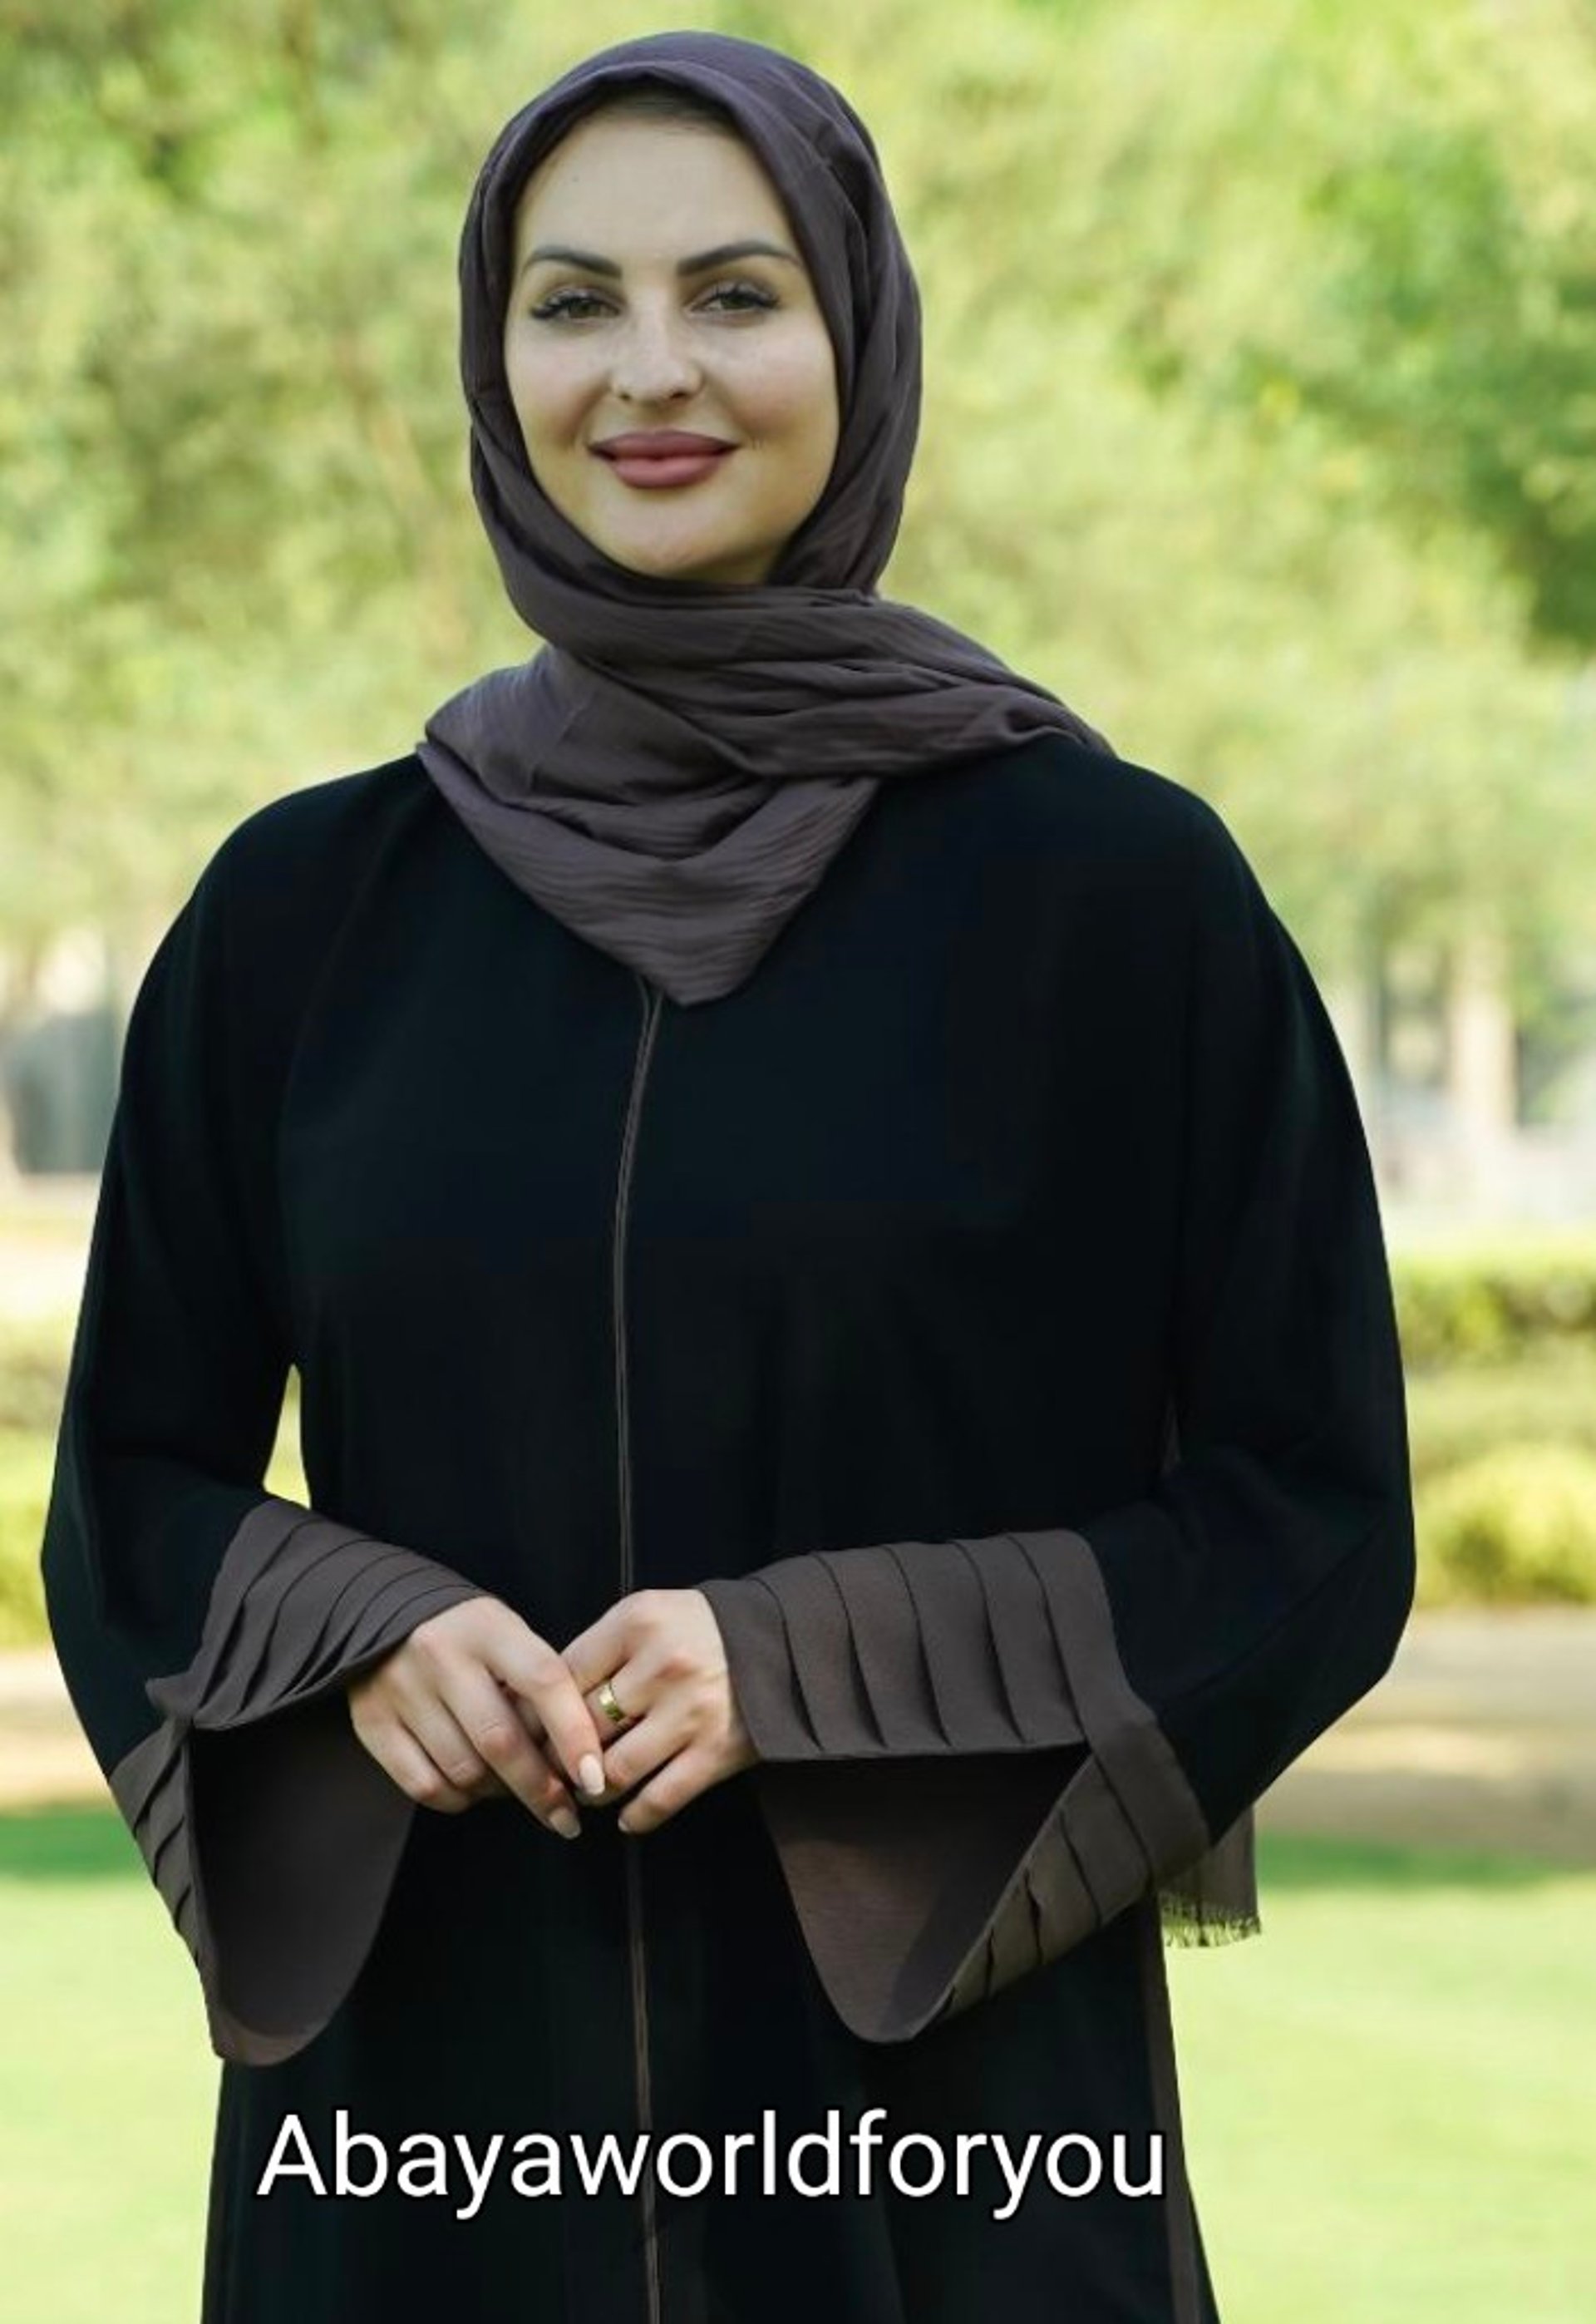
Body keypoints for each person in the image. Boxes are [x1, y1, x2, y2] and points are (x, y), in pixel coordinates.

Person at [40, 27, 1416, 2324]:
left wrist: (813, 1665)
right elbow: (135, 1499)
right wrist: (356, 1639)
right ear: (493, 358)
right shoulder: (307, 913)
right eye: (571, 301)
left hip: (948, 2159)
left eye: (735, 293)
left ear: (855, 337)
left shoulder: (1117, 902)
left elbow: (1310, 1515)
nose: (649, 370)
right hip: (428, 2156)